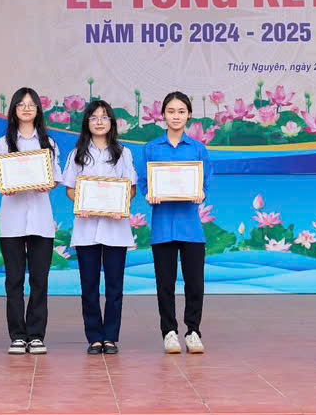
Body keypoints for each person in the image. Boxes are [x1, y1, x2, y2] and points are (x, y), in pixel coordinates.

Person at [63, 99, 136, 355]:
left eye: (104, 117)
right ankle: (94, 337)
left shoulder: (123, 153)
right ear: (87, 123)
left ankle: (110, 337)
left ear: (112, 123)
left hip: (116, 228)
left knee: (115, 286)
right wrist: (81, 202)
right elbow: (70, 189)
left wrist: (121, 204)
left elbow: (131, 188)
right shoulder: (77, 153)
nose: (99, 122)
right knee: (89, 285)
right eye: (94, 117)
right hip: (86, 229)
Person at [0, 87, 61, 355]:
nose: (26, 108)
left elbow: (55, 178)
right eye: (21, 104)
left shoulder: (49, 143)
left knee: (39, 280)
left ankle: (36, 335)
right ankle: (18, 336)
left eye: (31, 104)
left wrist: (48, 184)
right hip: (12, 221)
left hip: (41, 222)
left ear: (38, 110)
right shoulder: (3, 143)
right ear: (14, 109)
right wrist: (5, 186)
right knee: (14, 280)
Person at [140, 91, 210, 355]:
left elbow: (205, 182)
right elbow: (145, 182)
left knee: (195, 284)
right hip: (162, 228)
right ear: (163, 115)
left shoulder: (198, 149)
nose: (176, 116)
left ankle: (193, 332)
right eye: (171, 111)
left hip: (191, 229)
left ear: (189, 115)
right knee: (165, 285)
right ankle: (169, 332)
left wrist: (201, 192)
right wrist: (150, 193)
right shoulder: (151, 148)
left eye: (181, 111)